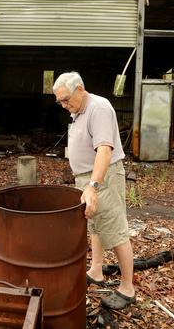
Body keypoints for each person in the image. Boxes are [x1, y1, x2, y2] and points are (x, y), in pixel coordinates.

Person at [53, 71, 136, 310]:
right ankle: (97, 269)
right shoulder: (78, 111)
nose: (64, 105)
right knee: (96, 225)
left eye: (66, 99)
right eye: (60, 101)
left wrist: (93, 185)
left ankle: (127, 288)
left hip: (103, 178)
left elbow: (104, 150)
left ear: (80, 88)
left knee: (115, 229)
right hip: (88, 178)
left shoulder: (98, 108)